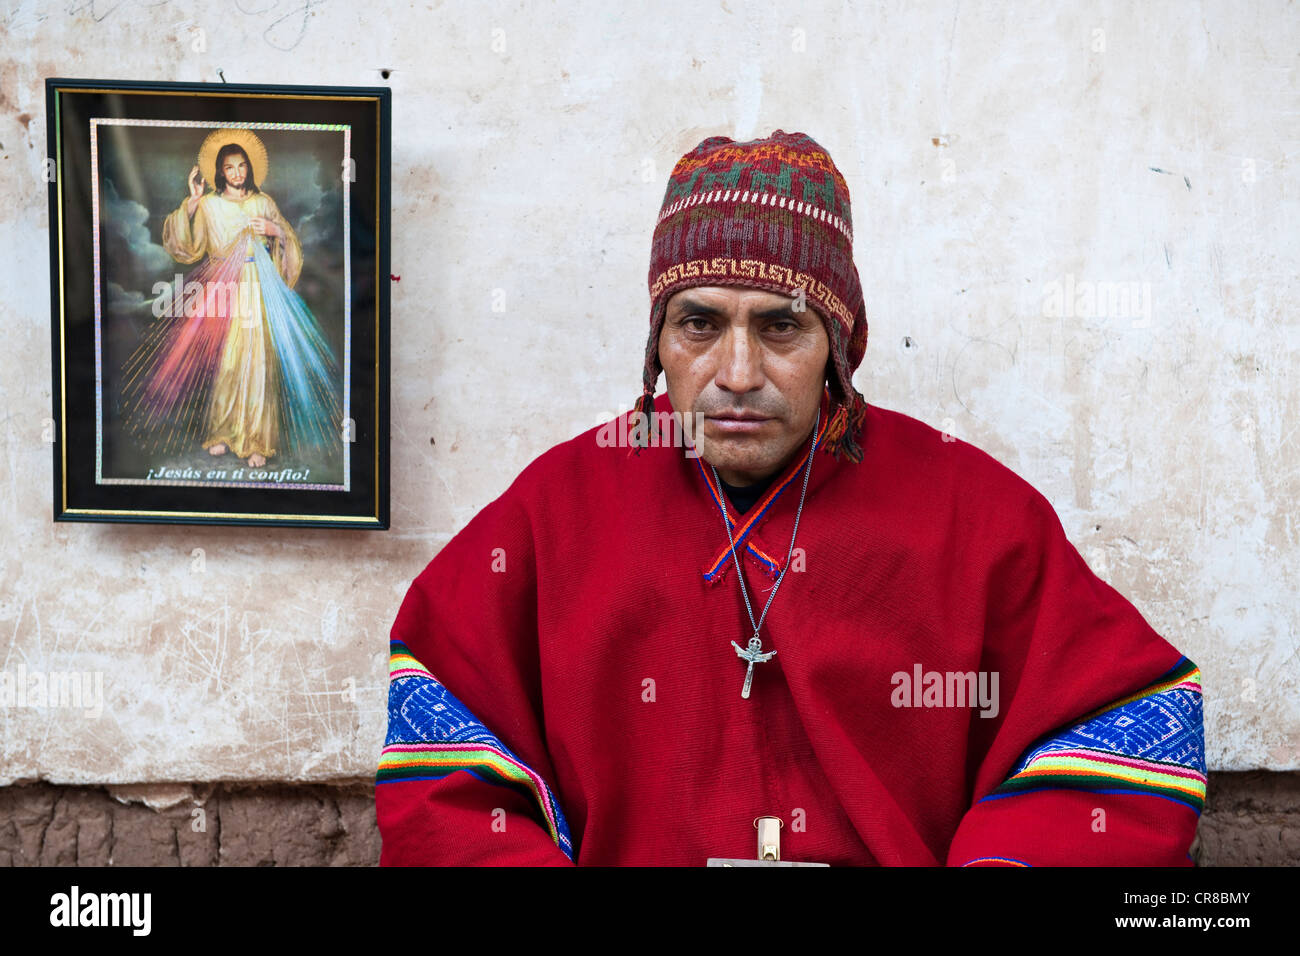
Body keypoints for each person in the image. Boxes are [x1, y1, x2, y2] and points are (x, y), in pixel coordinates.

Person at [376, 130, 1205, 866]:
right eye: (699, 325)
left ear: (842, 344)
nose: (737, 375)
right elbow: (441, 737)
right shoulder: (558, 510)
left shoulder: (972, 515)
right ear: (657, 344)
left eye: (782, 327)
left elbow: (1132, 717)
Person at [121, 129, 340, 469]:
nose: (237, 173)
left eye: (241, 166)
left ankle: (257, 440)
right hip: (223, 289)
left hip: (258, 286)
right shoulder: (208, 206)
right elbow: (184, 247)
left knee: (259, 364)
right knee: (228, 363)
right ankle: (223, 431)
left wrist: (276, 232)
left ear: (249, 169)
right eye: (229, 168)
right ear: (219, 173)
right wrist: (192, 201)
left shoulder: (263, 203)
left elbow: (289, 246)